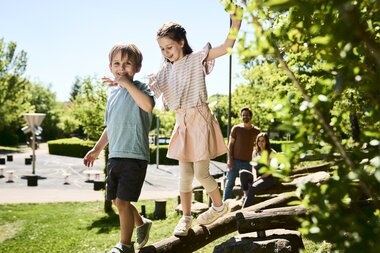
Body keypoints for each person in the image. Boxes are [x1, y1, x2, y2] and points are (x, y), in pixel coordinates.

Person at [148, 5, 242, 237]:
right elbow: (150, 90)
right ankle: (186, 218)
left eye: (169, 47)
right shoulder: (165, 70)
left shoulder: (197, 58)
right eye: (162, 49)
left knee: (201, 173)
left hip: (199, 119)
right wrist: (124, 81)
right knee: (185, 176)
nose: (166, 52)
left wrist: (235, 22)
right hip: (182, 123)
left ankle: (219, 206)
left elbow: (227, 47)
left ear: (181, 42)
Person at [83, 43, 155, 253]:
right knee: (117, 201)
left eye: (127, 64)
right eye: (117, 63)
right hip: (115, 155)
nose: (121, 68)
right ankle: (141, 223)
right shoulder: (112, 95)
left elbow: (148, 105)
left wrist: (126, 84)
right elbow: (111, 127)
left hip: (134, 156)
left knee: (123, 201)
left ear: (137, 68)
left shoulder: (141, 88)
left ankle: (125, 245)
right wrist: (97, 149)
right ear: (110, 67)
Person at [223, 107, 261, 201]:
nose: (245, 117)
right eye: (243, 115)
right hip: (234, 161)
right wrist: (229, 159)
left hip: (248, 163)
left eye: (247, 115)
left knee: (247, 186)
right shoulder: (236, 129)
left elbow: (259, 147)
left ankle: (246, 203)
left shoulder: (257, 131)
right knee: (229, 183)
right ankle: (223, 205)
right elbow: (230, 145)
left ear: (251, 116)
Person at [239, 132, 278, 208]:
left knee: (253, 187)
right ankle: (245, 195)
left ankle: (244, 209)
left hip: (268, 178)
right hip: (257, 177)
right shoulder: (255, 152)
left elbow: (270, 171)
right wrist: (254, 177)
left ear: (266, 142)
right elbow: (253, 167)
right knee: (242, 173)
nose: (260, 143)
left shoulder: (272, 153)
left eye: (263, 141)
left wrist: (258, 179)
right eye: (259, 141)